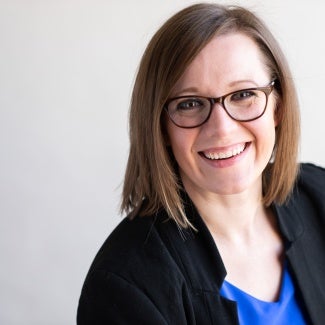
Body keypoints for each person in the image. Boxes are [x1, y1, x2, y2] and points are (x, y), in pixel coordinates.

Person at [77, 3, 325, 324]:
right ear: (160, 127)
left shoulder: (319, 196)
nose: (221, 129)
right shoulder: (125, 285)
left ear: (278, 106)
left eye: (243, 94)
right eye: (190, 103)